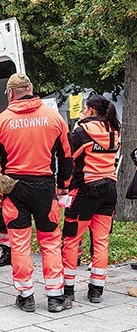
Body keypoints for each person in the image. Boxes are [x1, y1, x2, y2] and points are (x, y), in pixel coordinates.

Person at [0, 73, 73, 313]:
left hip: (15, 188)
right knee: (51, 241)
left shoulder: (1, 122)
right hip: (44, 187)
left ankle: (26, 296)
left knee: (19, 243)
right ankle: (55, 296)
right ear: (31, 89)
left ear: (11, 93)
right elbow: (66, 156)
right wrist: (63, 184)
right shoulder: (54, 118)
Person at [61, 95, 121, 303]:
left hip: (85, 191)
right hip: (109, 190)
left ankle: (68, 288)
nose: (83, 112)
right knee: (101, 241)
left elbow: (67, 156)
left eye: (85, 109)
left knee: (71, 240)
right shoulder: (114, 131)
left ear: (91, 111)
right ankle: (96, 290)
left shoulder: (82, 132)